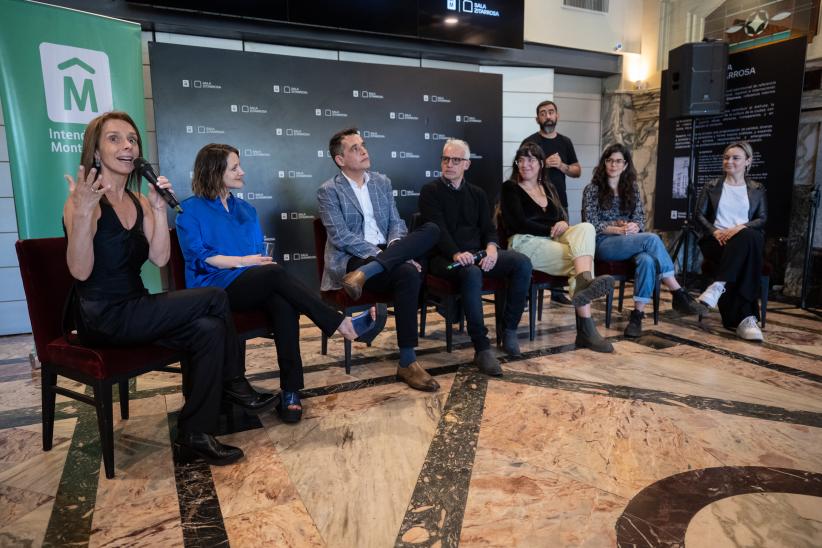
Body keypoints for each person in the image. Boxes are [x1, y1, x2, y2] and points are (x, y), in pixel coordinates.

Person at [62, 112, 275, 466]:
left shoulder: (139, 201)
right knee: (214, 296)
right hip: (102, 317)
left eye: (132, 139)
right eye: (114, 139)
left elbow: (160, 258)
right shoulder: (82, 202)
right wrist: (83, 216)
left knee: (207, 330)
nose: (127, 146)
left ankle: (195, 433)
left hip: (136, 306)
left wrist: (159, 210)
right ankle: (234, 382)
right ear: (96, 152)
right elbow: (80, 272)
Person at [176, 143, 383, 423]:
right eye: (235, 167)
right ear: (214, 172)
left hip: (249, 282)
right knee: (273, 275)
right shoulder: (189, 210)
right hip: (212, 288)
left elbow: (259, 253)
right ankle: (340, 323)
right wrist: (244, 261)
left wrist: (255, 262)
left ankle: (290, 391)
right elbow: (199, 257)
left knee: (283, 301)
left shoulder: (246, 209)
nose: (242, 171)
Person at [317, 128, 441, 391]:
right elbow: (340, 237)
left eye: (363, 145)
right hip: (352, 260)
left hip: (378, 262)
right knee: (407, 270)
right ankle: (407, 360)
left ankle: (407, 361)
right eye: (354, 148)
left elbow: (396, 223)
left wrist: (394, 248)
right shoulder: (329, 190)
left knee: (431, 231)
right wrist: (388, 256)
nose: (364, 151)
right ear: (340, 160)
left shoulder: (382, 182)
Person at [420, 139, 533, 376]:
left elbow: (488, 229)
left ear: (467, 165)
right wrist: (457, 253)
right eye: (445, 159)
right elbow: (437, 230)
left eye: (456, 160)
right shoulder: (430, 191)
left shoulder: (478, 194)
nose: (449, 164)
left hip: (478, 254)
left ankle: (509, 329)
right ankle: (482, 347)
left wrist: (492, 248)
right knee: (471, 272)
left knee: (521, 262)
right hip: (444, 259)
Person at [582, 143, 707, 338]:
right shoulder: (592, 189)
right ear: (604, 163)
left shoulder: (631, 188)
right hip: (604, 243)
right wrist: (619, 229)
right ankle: (677, 292)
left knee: (647, 260)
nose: (613, 165)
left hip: (630, 241)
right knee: (651, 239)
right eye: (609, 160)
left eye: (618, 161)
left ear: (625, 165)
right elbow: (590, 223)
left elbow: (640, 218)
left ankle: (637, 316)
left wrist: (634, 227)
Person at [500, 142, 614, 353]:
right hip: (524, 242)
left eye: (531, 159)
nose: (525, 164)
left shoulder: (549, 188)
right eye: (521, 160)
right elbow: (518, 223)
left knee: (586, 228)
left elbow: (561, 217)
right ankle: (586, 329)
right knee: (580, 261)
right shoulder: (510, 188)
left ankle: (583, 281)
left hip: (552, 240)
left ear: (541, 163)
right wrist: (554, 227)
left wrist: (562, 223)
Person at [695, 141, 767, 341]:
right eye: (726, 157)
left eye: (736, 158)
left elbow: (761, 219)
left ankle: (718, 286)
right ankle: (748, 320)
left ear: (748, 161)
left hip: (743, 239)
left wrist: (738, 228)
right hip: (716, 241)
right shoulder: (712, 186)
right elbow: (698, 215)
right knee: (747, 252)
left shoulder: (757, 188)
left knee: (748, 236)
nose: (730, 161)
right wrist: (715, 231)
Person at [521, 100, 582, 306]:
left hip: (560, 203)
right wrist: (543, 165)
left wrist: (562, 165)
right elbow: (523, 172)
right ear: (537, 118)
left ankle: (558, 290)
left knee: (562, 242)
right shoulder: (530, 142)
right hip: (535, 203)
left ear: (557, 116)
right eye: (543, 113)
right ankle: (528, 287)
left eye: (551, 112)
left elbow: (577, 170)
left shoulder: (565, 142)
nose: (548, 116)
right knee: (540, 242)